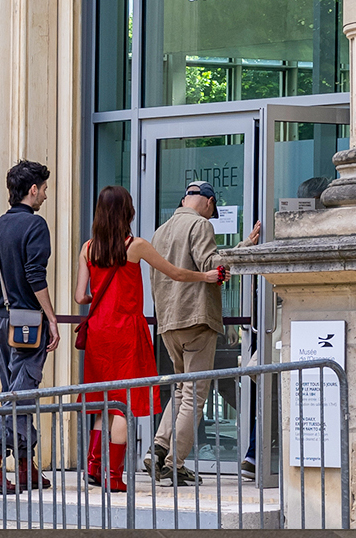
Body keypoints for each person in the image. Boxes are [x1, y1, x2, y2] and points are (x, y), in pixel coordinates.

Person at [74, 185, 222, 492]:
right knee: (123, 405)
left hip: (99, 332)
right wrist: (205, 277)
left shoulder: (87, 249)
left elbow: (80, 297)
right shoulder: (135, 245)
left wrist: (99, 294)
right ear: (126, 212)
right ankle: (114, 477)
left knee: (104, 401)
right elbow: (176, 274)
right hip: (126, 330)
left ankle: (94, 465)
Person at [145, 179, 261, 486]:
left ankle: (159, 446)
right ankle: (174, 462)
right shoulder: (200, 226)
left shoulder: (161, 231)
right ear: (208, 203)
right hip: (196, 318)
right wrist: (245, 250)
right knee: (195, 395)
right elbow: (214, 269)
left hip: (168, 321)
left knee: (181, 389)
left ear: (186, 199)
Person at [0, 159, 59, 493]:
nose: (45, 196)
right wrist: (52, 318)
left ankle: (25, 466)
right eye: (44, 189)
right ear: (33, 189)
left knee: (14, 390)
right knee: (22, 396)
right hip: (28, 322)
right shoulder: (35, 226)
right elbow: (35, 276)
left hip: (3, 318)